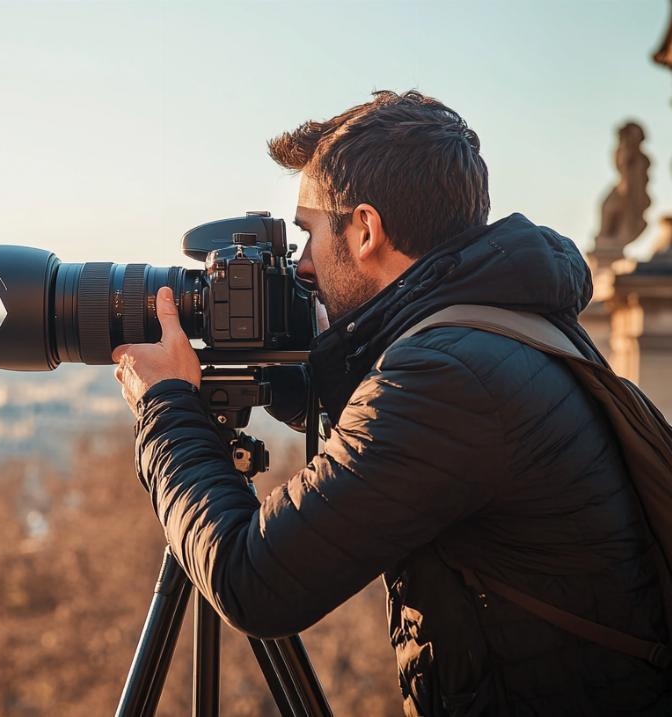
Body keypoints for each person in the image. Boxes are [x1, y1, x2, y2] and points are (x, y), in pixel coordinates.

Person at [111, 90, 671, 716]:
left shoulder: (445, 377)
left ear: (365, 230)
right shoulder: (501, 324)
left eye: (310, 233)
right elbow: (403, 449)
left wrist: (165, 407)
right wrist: (296, 378)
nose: (302, 266)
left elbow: (253, 581)